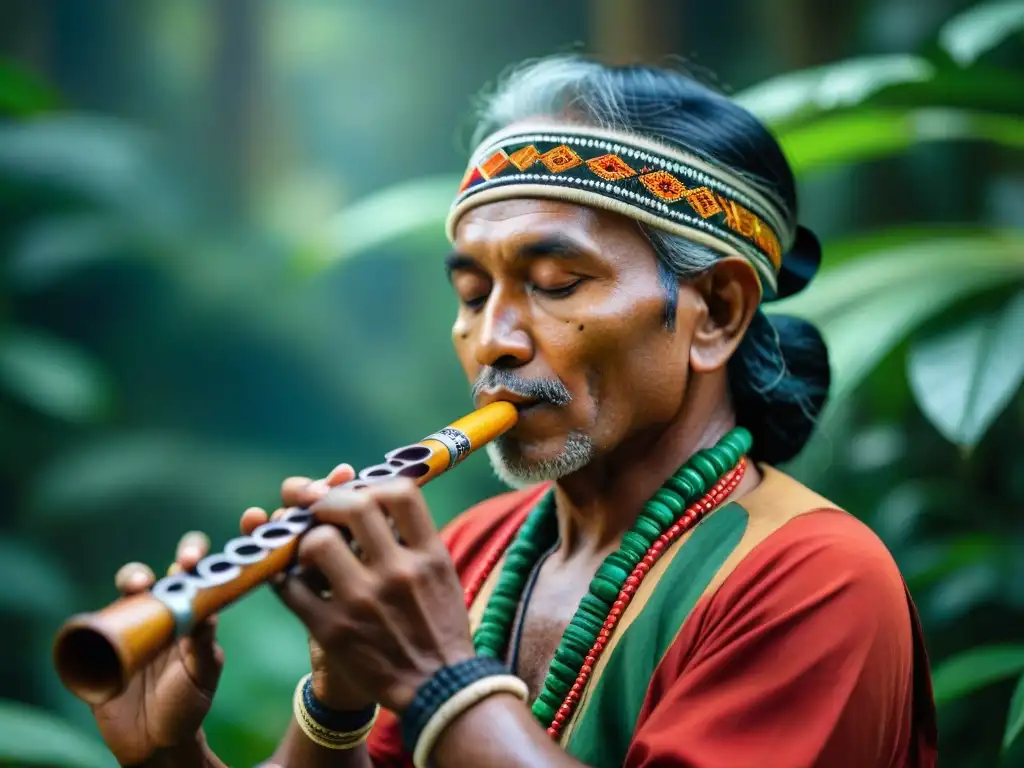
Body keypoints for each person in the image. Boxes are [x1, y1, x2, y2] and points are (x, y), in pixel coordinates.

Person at [88, 55, 939, 768]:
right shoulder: (468, 552)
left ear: (714, 311)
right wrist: (213, 747)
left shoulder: (818, 581)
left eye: (557, 283)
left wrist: (439, 679)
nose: (492, 339)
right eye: (470, 292)